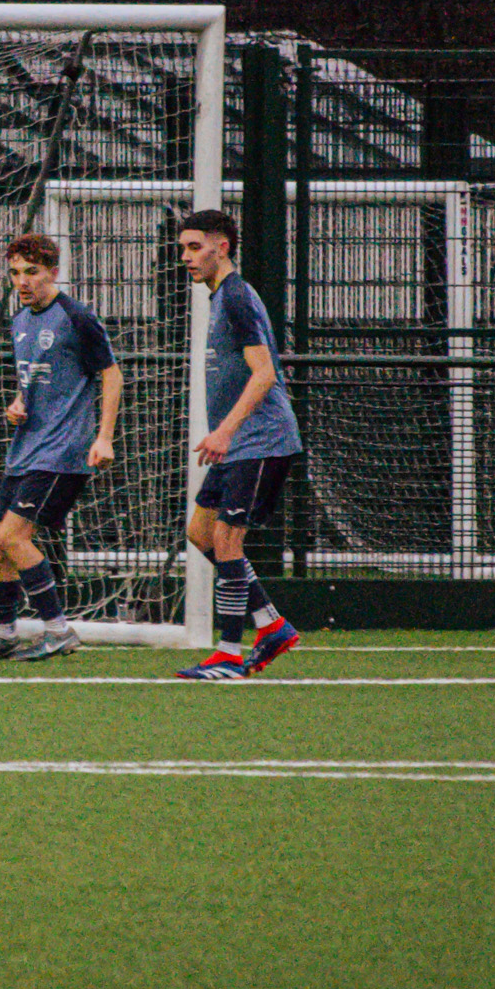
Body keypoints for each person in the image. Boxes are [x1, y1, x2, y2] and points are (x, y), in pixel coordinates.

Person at [0, 232, 119, 663]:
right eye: (15, 272)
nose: (22, 281)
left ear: (53, 272)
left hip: (62, 450)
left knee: (14, 536)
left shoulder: (77, 317)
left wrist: (103, 437)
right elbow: (34, 382)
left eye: (31, 272)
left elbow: (111, 375)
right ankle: (4, 634)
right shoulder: (19, 322)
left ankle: (58, 630)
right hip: (26, 447)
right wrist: (18, 404)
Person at [172, 210, 305, 680]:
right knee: (201, 533)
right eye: (183, 247)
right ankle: (270, 624)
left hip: (262, 439)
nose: (185, 256)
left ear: (222, 247)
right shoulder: (219, 297)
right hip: (240, 443)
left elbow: (265, 372)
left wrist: (225, 430)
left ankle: (228, 653)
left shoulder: (237, 297)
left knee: (227, 540)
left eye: (194, 247)